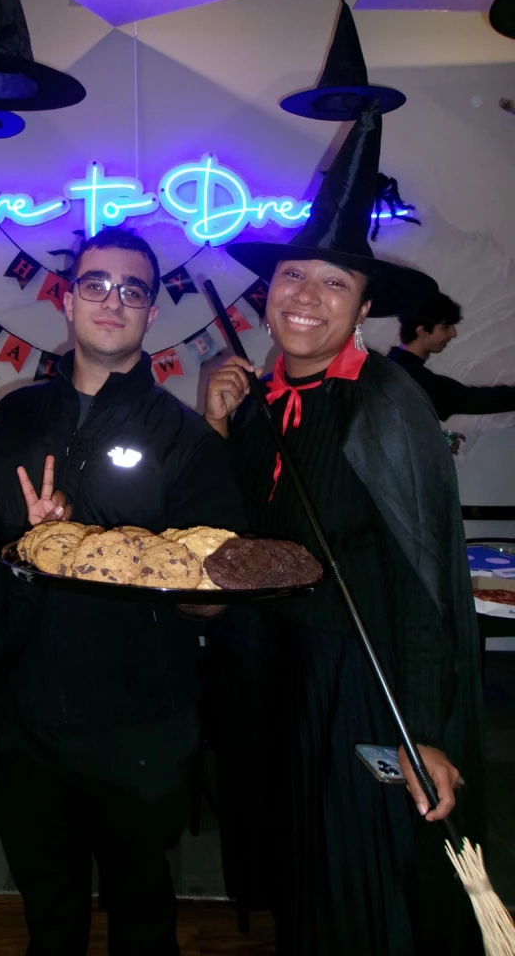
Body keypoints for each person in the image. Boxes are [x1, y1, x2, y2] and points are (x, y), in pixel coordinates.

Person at [208, 106, 485, 955]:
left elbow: (424, 585)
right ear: (268, 291)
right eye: (293, 274)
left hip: (364, 679)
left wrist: (425, 729)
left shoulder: (386, 406)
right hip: (276, 677)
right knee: (300, 877)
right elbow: (236, 545)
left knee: (362, 885)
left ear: (363, 305)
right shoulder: (258, 405)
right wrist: (220, 431)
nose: (305, 296)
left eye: (334, 283)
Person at [0, 227, 245, 955]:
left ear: (151, 313)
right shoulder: (13, 415)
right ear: (68, 301)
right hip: (23, 714)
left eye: (132, 289)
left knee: (142, 910)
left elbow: (212, 591)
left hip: (140, 722)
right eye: (95, 284)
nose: (112, 300)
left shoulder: (186, 439)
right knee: (48, 912)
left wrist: (198, 586)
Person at [387, 291, 515, 421]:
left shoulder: (392, 365)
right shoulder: (414, 378)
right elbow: (473, 400)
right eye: (446, 327)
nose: (453, 334)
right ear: (422, 332)